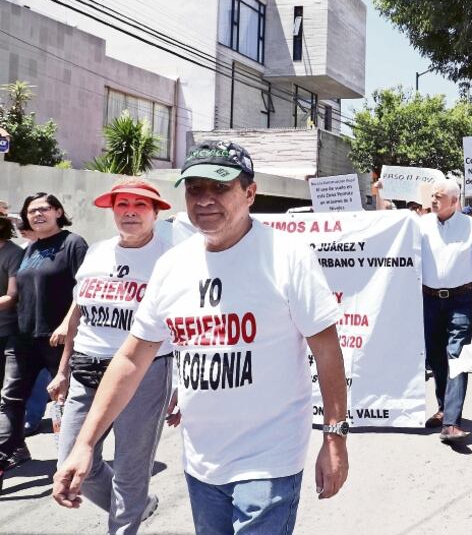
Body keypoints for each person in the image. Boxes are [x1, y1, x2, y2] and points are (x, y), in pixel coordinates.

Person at [53, 141, 349, 533]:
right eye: (195, 189)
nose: (205, 199)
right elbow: (131, 359)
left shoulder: (287, 256)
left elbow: (327, 352)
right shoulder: (172, 265)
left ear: (249, 193)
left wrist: (334, 437)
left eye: (220, 187)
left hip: (271, 457)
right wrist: (85, 444)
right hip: (202, 460)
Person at [45, 180, 174, 532]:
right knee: (72, 464)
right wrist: (63, 370)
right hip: (86, 368)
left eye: (140, 205)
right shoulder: (97, 252)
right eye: (122, 205)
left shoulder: (170, 259)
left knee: (131, 472)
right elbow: (78, 313)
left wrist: (178, 383)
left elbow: (182, 323)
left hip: (144, 371)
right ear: (113, 211)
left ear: (156, 212)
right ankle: (137, 507)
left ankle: (124, 521)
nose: (130, 212)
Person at [0, 193, 88, 476]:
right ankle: (5, 454)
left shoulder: (73, 243)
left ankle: (77, 458)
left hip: (58, 337)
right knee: (11, 397)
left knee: (69, 399)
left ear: (58, 212)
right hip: (24, 336)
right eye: (32, 211)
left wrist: (66, 324)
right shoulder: (30, 248)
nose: (37, 214)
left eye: (44, 209)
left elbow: (84, 289)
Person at [419, 178, 472, 443]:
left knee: (457, 355)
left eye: (439, 196)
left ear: (454, 201)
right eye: (432, 195)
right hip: (428, 300)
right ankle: (443, 408)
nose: (433, 200)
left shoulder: (471, 226)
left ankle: (451, 422)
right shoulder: (420, 225)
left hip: (460, 300)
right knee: (436, 357)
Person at [0, 216, 24, 467]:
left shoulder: (13, 254)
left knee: (8, 397)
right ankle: (17, 446)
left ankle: (9, 450)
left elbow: (12, 295)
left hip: (9, 333)